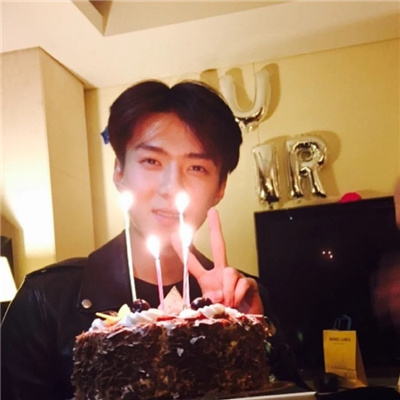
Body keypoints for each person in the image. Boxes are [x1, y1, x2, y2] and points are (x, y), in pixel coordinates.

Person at [1, 80, 305, 400]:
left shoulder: (243, 301)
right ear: (119, 172)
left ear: (220, 188)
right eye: (151, 161)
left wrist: (253, 333)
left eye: (196, 167)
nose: (171, 187)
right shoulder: (45, 301)